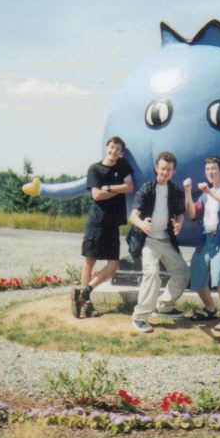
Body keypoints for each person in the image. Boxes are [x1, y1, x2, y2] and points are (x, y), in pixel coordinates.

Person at [128, 151, 189, 333]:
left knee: (182, 272)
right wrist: (142, 224)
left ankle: (164, 306)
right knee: (152, 274)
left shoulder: (175, 190)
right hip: (148, 241)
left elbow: (180, 214)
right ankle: (139, 318)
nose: (165, 172)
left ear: (174, 171)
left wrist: (179, 224)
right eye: (162, 168)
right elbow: (133, 216)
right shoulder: (147, 188)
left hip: (166, 239)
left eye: (169, 169)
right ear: (156, 168)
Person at [73, 136, 134, 318]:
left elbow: (129, 187)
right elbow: (97, 195)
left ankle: (85, 292)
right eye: (112, 147)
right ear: (106, 148)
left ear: (121, 153)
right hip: (97, 222)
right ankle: (86, 305)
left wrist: (109, 188)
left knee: (114, 265)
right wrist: (115, 189)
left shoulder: (122, 165)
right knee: (90, 261)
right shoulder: (94, 169)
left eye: (118, 149)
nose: (114, 151)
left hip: (113, 223)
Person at [183, 156, 220, 331]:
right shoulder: (205, 195)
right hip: (205, 239)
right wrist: (187, 192)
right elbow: (192, 214)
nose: (210, 172)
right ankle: (210, 310)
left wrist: (211, 192)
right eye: (207, 169)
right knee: (197, 276)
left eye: (214, 168)